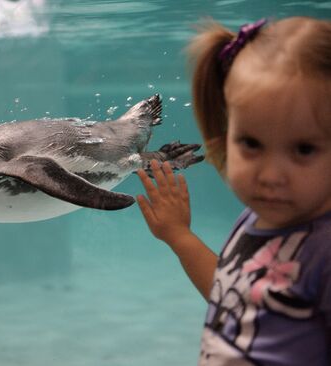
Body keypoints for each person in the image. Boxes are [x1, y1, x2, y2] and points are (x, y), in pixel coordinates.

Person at [136, 17, 331, 365]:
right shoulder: (257, 219)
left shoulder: (323, 250)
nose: (271, 175)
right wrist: (180, 237)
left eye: (303, 149)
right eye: (251, 144)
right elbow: (232, 295)